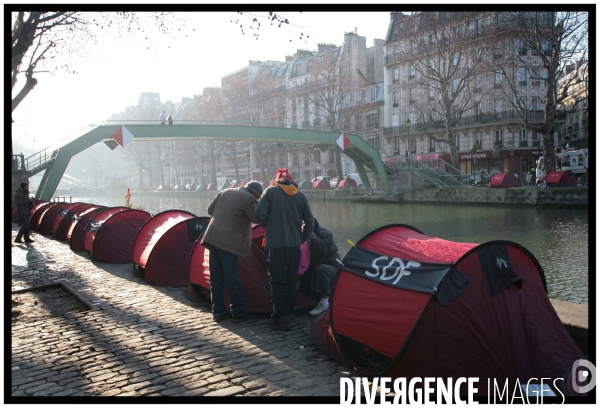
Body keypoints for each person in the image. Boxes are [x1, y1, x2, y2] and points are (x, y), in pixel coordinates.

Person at [255, 168, 314, 331]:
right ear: (291, 181)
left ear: (277, 181)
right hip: (295, 247)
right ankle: (290, 312)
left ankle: (280, 318)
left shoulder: (270, 192)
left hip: (275, 246)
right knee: (290, 280)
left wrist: (268, 225)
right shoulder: (300, 195)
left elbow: (259, 215)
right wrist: (301, 239)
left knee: (277, 282)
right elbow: (310, 222)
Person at [201, 180, 264, 323]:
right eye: (257, 199)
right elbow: (256, 218)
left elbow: (210, 211)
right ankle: (238, 312)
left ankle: (218, 311)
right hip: (228, 242)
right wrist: (259, 205)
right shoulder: (248, 198)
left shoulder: (225, 191)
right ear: (255, 194)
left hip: (213, 238)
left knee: (216, 278)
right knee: (232, 278)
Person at [304, 218, 341, 316]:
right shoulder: (303, 235)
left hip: (333, 267)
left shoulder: (324, 232)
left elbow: (324, 249)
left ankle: (325, 302)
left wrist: (313, 237)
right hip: (316, 267)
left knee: (322, 268)